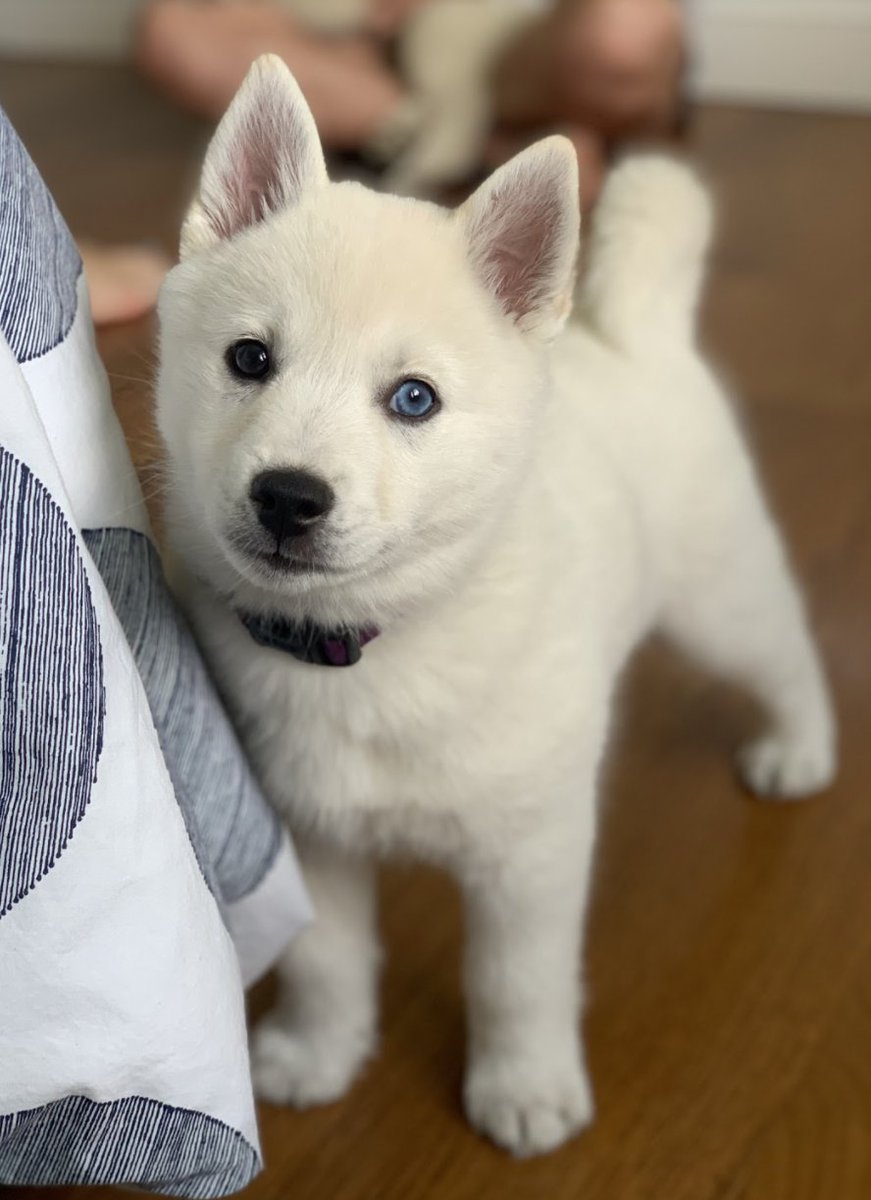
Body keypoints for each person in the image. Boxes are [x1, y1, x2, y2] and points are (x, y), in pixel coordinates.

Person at [88, 0, 685, 325]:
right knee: (170, 29)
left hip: (500, 31)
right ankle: (463, 143)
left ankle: (457, 138)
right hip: (332, 30)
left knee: (628, 28)